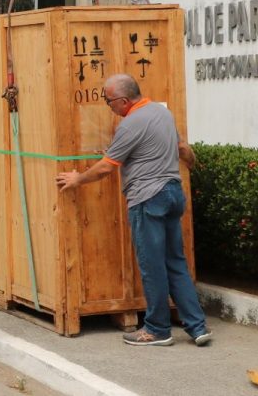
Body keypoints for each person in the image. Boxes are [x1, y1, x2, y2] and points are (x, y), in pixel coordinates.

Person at [55, 73, 211, 347]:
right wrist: (191, 162)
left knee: (152, 267)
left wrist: (78, 178)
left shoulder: (131, 124)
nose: (108, 106)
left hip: (148, 199)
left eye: (109, 101)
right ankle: (197, 328)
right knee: (175, 262)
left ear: (124, 100)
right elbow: (182, 149)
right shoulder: (162, 114)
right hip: (174, 194)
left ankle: (157, 330)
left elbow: (106, 167)